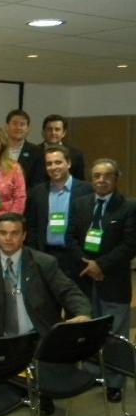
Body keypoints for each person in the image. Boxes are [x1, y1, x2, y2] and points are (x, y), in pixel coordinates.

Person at [67, 159, 136, 403]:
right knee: (89, 331)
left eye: (107, 176)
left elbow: (130, 244)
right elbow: (70, 238)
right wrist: (88, 265)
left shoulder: (129, 206)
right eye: (97, 175)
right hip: (85, 279)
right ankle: (92, 375)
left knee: (115, 334)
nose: (101, 180)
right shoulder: (80, 204)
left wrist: (101, 265)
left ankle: (115, 383)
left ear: (116, 179)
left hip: (113, 280)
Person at [0, 212, 91, 338]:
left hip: (37, 337)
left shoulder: (43, 262)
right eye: (3, 233)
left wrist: (83, 313)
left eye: (14, 233)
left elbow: (68, 291)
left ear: (24, 236)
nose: (8, 238)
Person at [25, 145, 93, 280]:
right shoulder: (37, 193)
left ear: (68, 163)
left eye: (58, 162)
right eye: (49, 164)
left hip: (77, 258)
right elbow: (31, 227)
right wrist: (35, 255)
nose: (53, 167)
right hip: (46, 256)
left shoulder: (87, 190)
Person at [5, 109, 44, 188]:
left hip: (27, 195)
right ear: (6, 127)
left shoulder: (37, 152)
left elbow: (38, 184)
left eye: (22, 124)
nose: (18, 127)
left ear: (28, 129)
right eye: (14, 123)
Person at [41, 114, 85, 181]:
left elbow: (80, 181)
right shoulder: (34, 152)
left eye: (57, 129)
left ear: (64, 133)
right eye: (49, 129)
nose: (53, 133)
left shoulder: (76, 154)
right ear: (43, 132)